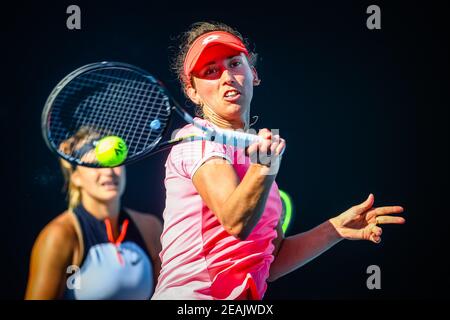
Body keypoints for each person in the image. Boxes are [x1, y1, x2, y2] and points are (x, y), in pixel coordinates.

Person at [151, 21, 406, 300]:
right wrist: (264, 167)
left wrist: (334, 230)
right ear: (193, 91)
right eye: (211, 71)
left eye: (235, 64)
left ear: (254, 75)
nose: (227, 77)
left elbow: (268, 263)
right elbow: (236, 223)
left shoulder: (259, 161)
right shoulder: (195, 139)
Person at [25, 128, 163, 299]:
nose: (108, 172)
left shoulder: (150, 228)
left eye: (113, 161)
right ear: (75, 177)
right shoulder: (59, 236)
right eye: (95, 165)